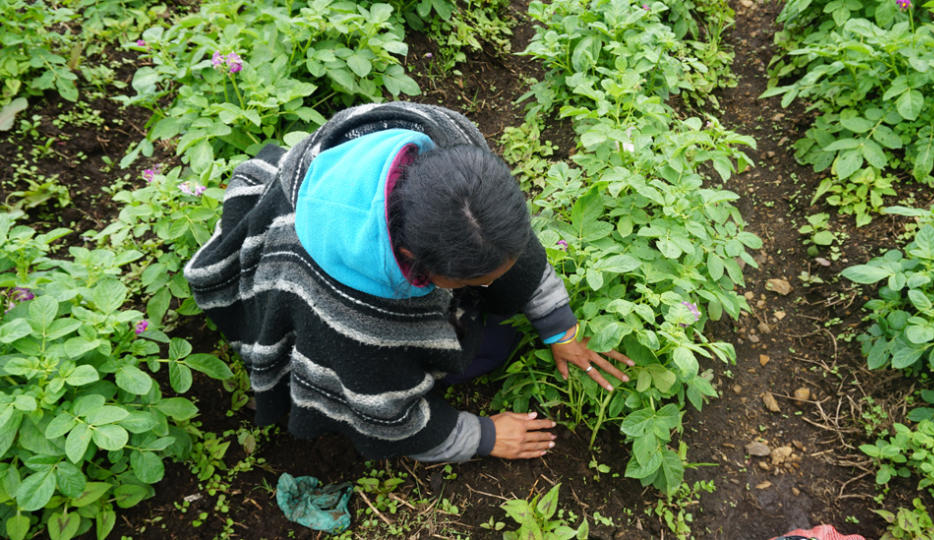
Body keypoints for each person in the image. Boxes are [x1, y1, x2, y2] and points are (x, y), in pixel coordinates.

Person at [184, 102, 633, 463]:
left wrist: (561, 327)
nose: (501, 278)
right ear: (414, 261)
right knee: (487, 350)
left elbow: (510, 249)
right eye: (478, 280)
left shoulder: (446, 141)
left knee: (496, 331)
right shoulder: (355, 315)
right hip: (309, 279)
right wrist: (485, 435)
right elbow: (389, 416)